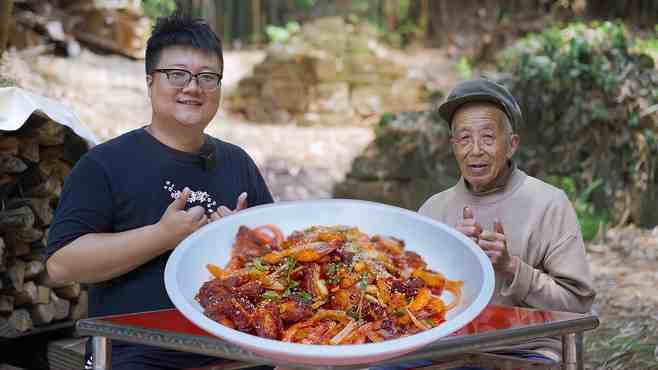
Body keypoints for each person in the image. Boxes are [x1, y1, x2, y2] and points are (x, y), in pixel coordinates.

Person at [45, 14, 274, 370]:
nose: (193, 87)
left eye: (207, 77)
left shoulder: (237, 162)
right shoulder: (105, 164)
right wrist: (162, 235)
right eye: (177, 74)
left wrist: (250, 245)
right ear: (150, 82)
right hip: (136, 352)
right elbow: (61, 265)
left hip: (235, 351)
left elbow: (281, 265)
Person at [415, 78, 596, 368]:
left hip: (524, 349)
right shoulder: (433, 209)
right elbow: (413, 301)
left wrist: (510, 267)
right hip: (444, 349)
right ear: (453, 145)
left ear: (511, 145)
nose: (475, 150)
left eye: (487, 137)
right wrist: (449, 259)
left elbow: (577, 304)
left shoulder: (549, 203)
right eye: (464, 138)